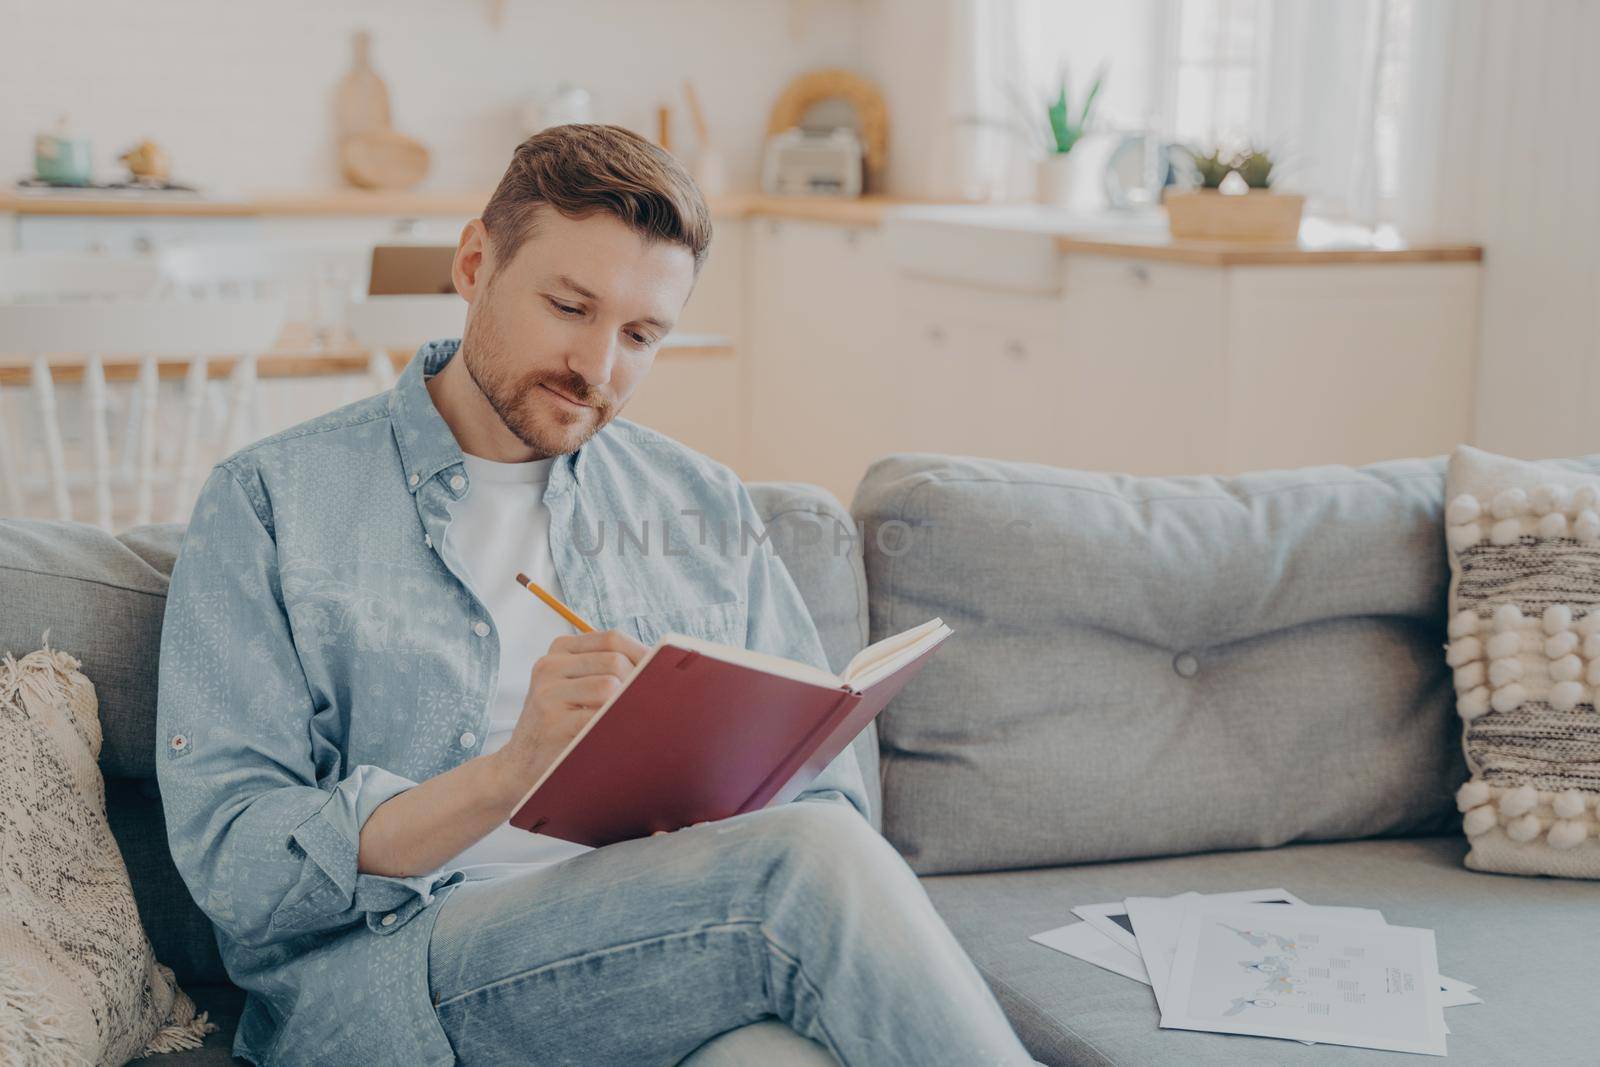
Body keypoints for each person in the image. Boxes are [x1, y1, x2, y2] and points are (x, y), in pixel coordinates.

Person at [156, 123, 1033, 1067]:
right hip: (399, 978)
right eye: (569, 306)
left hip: (659, 954)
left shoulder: (700, 502)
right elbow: (238, 862)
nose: (598, 368)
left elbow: (827, 810)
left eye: (641, 334)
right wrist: (512, 771)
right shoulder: (272, 500)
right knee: (801, 872)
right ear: (473, 263)